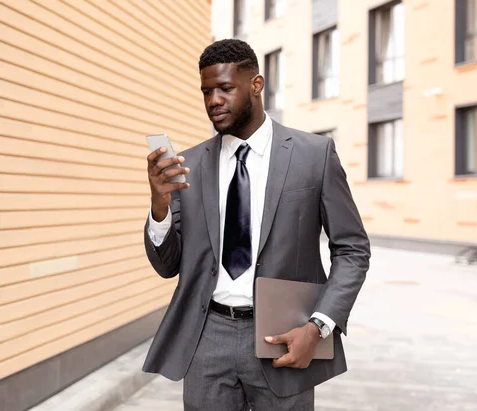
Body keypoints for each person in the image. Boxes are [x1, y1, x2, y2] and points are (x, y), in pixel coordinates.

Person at [143, 39, 370, 411]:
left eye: (225, 88)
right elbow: (168, 266)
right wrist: (159, 204)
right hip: (206, 337)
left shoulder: (313, 155)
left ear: (256, 84)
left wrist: (318, 328)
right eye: (206, 91)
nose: (214, 100)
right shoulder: (190, 165)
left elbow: (352, 250)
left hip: (285, 334)